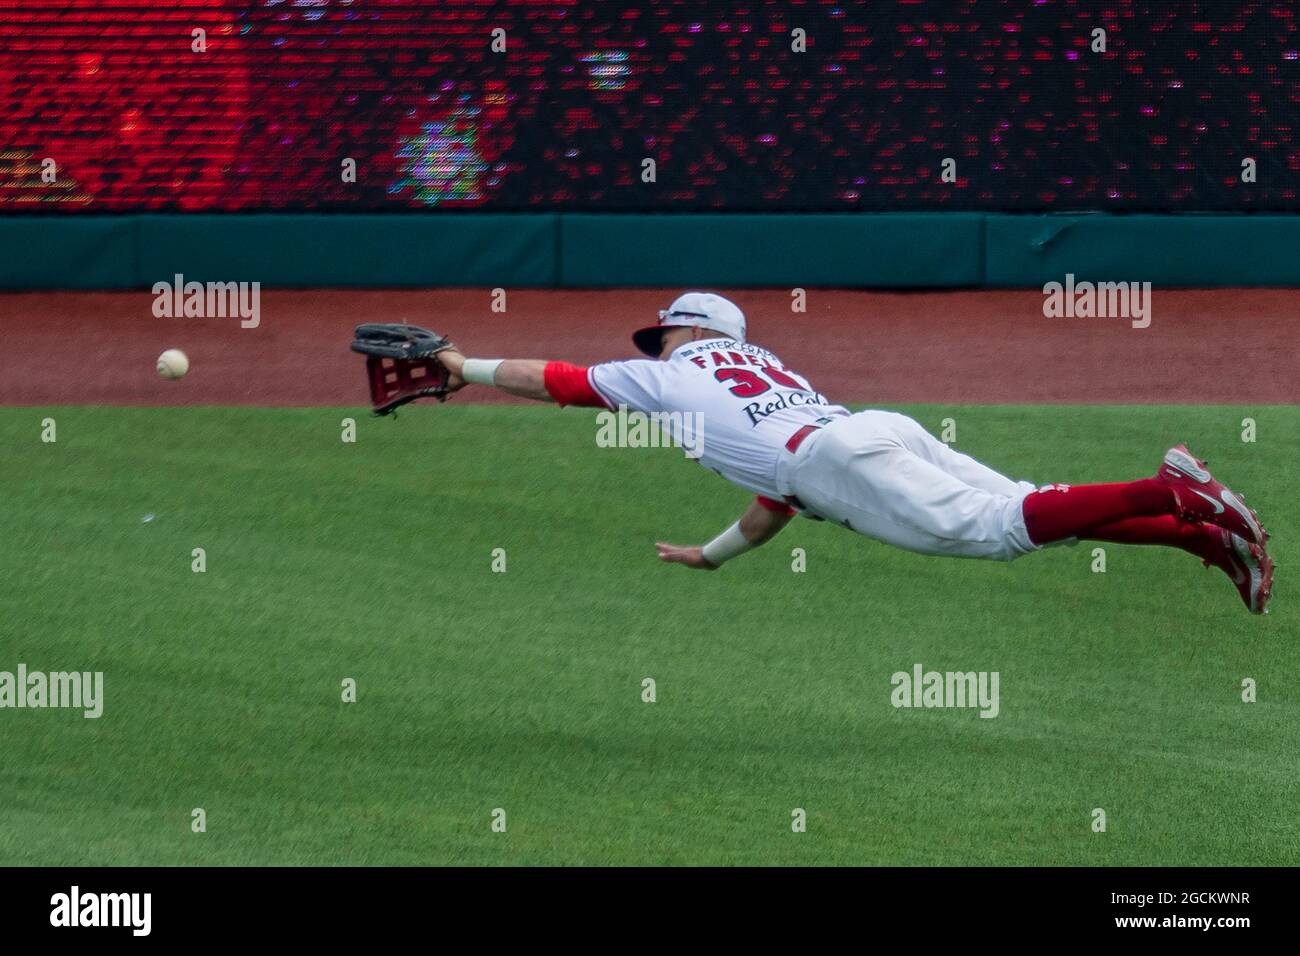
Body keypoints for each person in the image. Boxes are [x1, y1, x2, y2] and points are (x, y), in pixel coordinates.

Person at [431, 291, 1273, 613]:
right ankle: (1200, 537)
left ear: (699, 331)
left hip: (834, 458)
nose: (659, 343)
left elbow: (556, 379)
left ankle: (1170, 486)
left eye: (668, 329)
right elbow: (776, 502)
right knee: (1032, 510)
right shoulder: (758, 367)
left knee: (1007, 526)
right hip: (868, 431)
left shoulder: (675, 372)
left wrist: (462, 367)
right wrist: (713, 557)